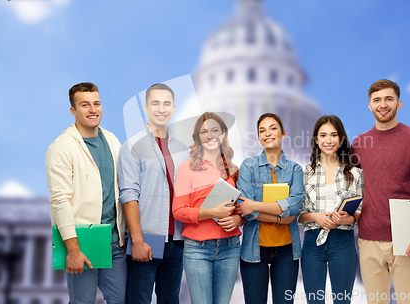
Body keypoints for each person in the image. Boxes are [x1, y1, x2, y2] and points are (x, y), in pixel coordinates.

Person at [351, 79, 410, 304]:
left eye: (389, 99)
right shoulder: (359, 144)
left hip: (406, 238)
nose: (383, 104)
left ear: (398, 104)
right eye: (377, 100)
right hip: (368, 240)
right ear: (370, 106)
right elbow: (348, 187)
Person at [47, 82, 126, 304]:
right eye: (85, 105)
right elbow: (59, 201)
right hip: (82, 242)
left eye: (96, 103)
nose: (93, 110)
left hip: (115, 242)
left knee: (119, 300)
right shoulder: (61, 147)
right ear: (73, 110)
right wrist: (72, 249)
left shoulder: (112, 140)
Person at [118, 83, 189, 304]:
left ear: (174, 108)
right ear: (146, 107)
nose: (161, 108)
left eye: (166, 103)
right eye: (155, 103)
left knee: (170, 300)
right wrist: (137, 240)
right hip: (146, 239)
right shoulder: (132, 145)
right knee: (138, 300)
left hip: (176, 241)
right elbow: (129, 195)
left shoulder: (183, 148)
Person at [173, 112, 243, 304]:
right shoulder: (186, 168)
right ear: (197, 137)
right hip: (198, 250)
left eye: (214, 130)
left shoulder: (234, 170)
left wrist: (238, 219)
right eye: (204, 132)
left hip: (230, 247)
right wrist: (212, 213)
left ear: (223, 134)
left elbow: (241, 209)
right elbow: (178, 211)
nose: (209, 136)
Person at [236, 113, 304, 304]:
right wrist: (281, 217)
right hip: (253, 250)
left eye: (273, 128)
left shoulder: (295, 169)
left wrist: (255, 205)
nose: (267, 133)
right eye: (262, 130)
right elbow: (246, 212)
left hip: (286, 252)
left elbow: (294, 208)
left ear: (283, 133)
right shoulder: (248, 166)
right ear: (258, 137)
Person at [298, 115, 363, 304]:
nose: (328, 140)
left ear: (341, 139)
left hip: (343, 242)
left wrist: (348, 219)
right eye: (323, 135)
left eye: (333, 135)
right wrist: (315, 217)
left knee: (342, 301)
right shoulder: (303, 173)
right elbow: (297, 215)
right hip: (312, 243)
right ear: (316, 140)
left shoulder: (355, 174)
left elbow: (360, 211)